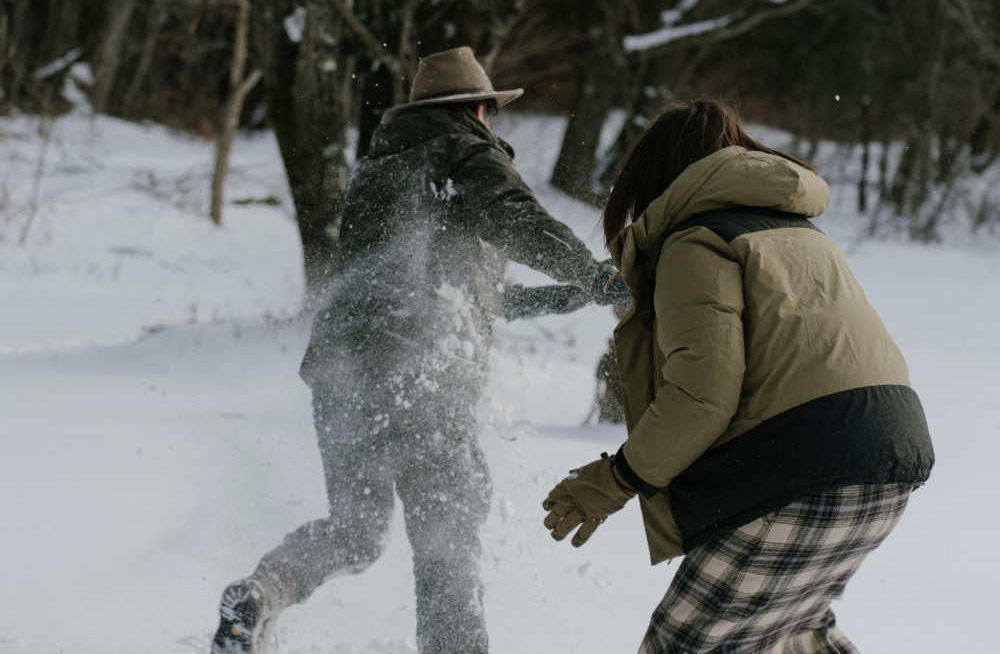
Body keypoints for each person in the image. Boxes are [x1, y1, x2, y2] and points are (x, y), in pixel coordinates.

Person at [211, 46, 626, 654]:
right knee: (447, 537)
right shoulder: (465, 152)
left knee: (354, 529)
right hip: (423, 376)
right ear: (479, 108)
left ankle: (260, 593)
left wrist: (570, 294)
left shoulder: (380, 170)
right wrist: (596, 275)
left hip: (343, 374)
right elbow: (518, 219)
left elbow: (458, 295)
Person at [542, 98, 935, 653]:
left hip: (803, 469)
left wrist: (617, 480)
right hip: (889, 458)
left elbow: (703, 394)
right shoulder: (795, 230)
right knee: (792, 633)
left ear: (656, 179)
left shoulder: (696, 241)